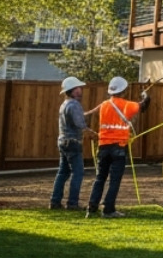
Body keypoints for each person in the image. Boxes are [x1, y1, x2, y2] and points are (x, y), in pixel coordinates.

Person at [87, 75, 149, 218]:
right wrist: (145, 93)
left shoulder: (104, 105)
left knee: (100, 178)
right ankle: (108, 210)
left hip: (103, 146)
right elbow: (144, 105)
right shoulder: (126, 104)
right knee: (114, 180)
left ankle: (91, 208)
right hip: (118, 147)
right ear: (124, 90)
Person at [50, 76, 92, 210]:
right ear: (72, 91)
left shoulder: (65, 104)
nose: (80, 90)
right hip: (73, 142)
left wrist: (89, 113)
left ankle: (55, 202)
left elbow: (76, 119)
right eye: (78, 88)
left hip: (63, 141)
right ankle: (72, 203)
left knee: (63, 172)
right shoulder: (74, 105)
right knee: (77, 173)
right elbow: (80, 124)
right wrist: (94, 134)